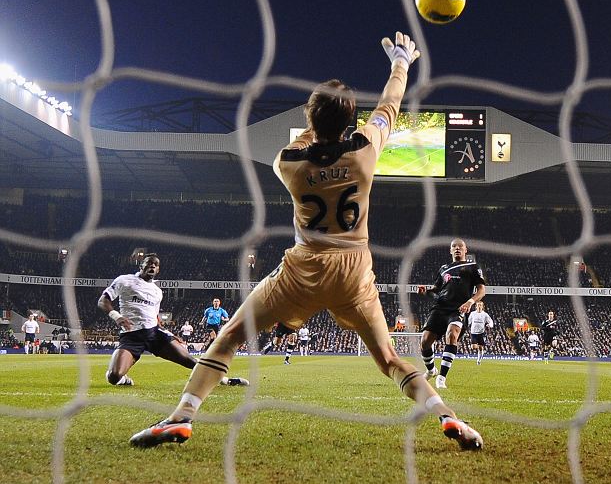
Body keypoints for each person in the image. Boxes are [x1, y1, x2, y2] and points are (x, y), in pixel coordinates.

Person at [130, 31, 482, 451]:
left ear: (309, 120)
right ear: (351, 122)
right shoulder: (365, 150)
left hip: (303, 268)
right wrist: (401, 63)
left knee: (229, 338)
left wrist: (316, 120)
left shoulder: (289, 163)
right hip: (354, 271)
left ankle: (181, 418)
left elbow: (308, 139)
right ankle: (448, 417)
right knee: (389, 360)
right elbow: (389, 106)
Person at [98, 254, 198, 386]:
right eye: (149, 263)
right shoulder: (125, 280)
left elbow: (155, 317)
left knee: (191, 361)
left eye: (156, 265)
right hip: (131, 337)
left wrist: (170, 334)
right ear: (141, 266)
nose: (152, 265)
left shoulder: (157, 292)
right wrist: (117, 316)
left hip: (154, 334)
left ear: (158, 270)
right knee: (114, 377)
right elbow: (102, 301)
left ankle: (224, 379)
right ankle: (124, 379)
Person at [417, 238, 486, 389]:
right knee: (425, 341)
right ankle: (431, 371)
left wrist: (470, 302)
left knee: (452, 334)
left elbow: (481, 290)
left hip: (458, 308)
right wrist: (426, 291)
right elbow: (436, 289)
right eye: (454, 246)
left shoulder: (472, 267)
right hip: (440, 308)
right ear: (450, 250)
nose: (457, 248)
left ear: (465, 250)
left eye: (460, 246)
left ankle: (441, 378)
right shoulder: (443, 268)